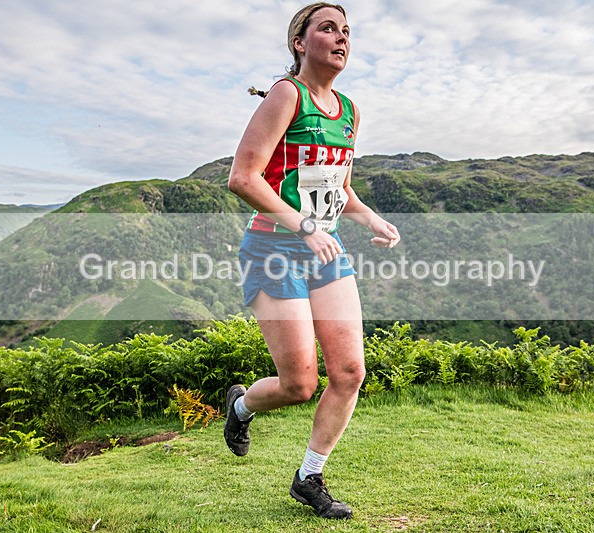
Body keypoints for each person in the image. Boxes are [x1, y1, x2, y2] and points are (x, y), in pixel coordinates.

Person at [225, 3, 400, 520]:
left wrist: (370, 218)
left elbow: (338, 187)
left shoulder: (349, 110)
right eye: (328, 28)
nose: (341, 38)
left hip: (326, 252)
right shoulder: (287, 95)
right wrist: (302, 225)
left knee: (348, 371)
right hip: (274, 250)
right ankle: (239, 406)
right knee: (299, 384)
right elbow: (243, 177)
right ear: (300, 42)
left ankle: (309, 476)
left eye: (346, 31)